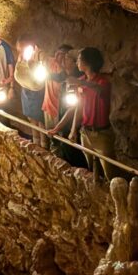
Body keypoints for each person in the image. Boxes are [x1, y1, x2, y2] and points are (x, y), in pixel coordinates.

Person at [48, 47, 113, 181]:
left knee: (110, 173)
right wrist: (65, 129)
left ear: (87, 62)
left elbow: (99, 89)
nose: (77, 62)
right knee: (91, 170)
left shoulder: (103, 82)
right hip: (85, 133)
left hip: (101, 135)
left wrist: (80, 82)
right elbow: (76, 108)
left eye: (79, 59)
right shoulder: (82, 81)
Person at [14, 40, 49, 147]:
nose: (19, 50)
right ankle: (35, 143)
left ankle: (44, 145)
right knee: (32, 119)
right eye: (18, 48)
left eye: (21, 47)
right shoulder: (21, 56)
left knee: (40, 120)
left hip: (38, 92)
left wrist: (31, 64)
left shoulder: (39, 54)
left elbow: (42, 74)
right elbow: (19, 73)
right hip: (26, 91)